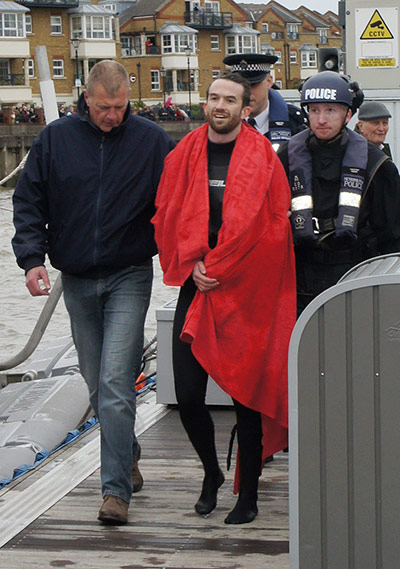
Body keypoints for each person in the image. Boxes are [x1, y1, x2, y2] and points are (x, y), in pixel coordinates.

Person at [12, 60, 175, 525]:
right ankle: (128, 451)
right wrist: (31, 260)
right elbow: (29, 201)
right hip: (78, 277)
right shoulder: (54, 140)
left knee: (115, 382)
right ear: (87, 98)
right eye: (105, 108)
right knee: (94, 381)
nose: (113, 116)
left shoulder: (151, 142)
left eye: (121, 107)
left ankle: (114, 492)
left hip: (129, 273)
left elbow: (180, 199)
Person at [152, 73, 296, 524]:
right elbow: (166, 214)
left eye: (229, 99)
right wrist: (190, 259)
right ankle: (212, 471)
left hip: (247, 289)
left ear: (246, 108)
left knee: (247, 397)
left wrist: (225, 266)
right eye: (213, 97)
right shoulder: (184, 154)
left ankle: (248, 494)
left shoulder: (263, 159)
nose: (219, 105)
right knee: (189, 394)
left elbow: (275, 226)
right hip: (198, 284)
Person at [277, 71, 400, 316]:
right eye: (314, 110)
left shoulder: (377, 164)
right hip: (300, 281)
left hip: (357, 278)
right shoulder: (286, 157)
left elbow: (392, 236)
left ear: (348, 115)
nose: (321, 119)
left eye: (330, 110)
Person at [223, 53, 306, 150]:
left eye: (253, 85)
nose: (247, 92)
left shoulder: (293, 121)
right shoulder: (223, 121)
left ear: (269, 82)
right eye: (241, 86)